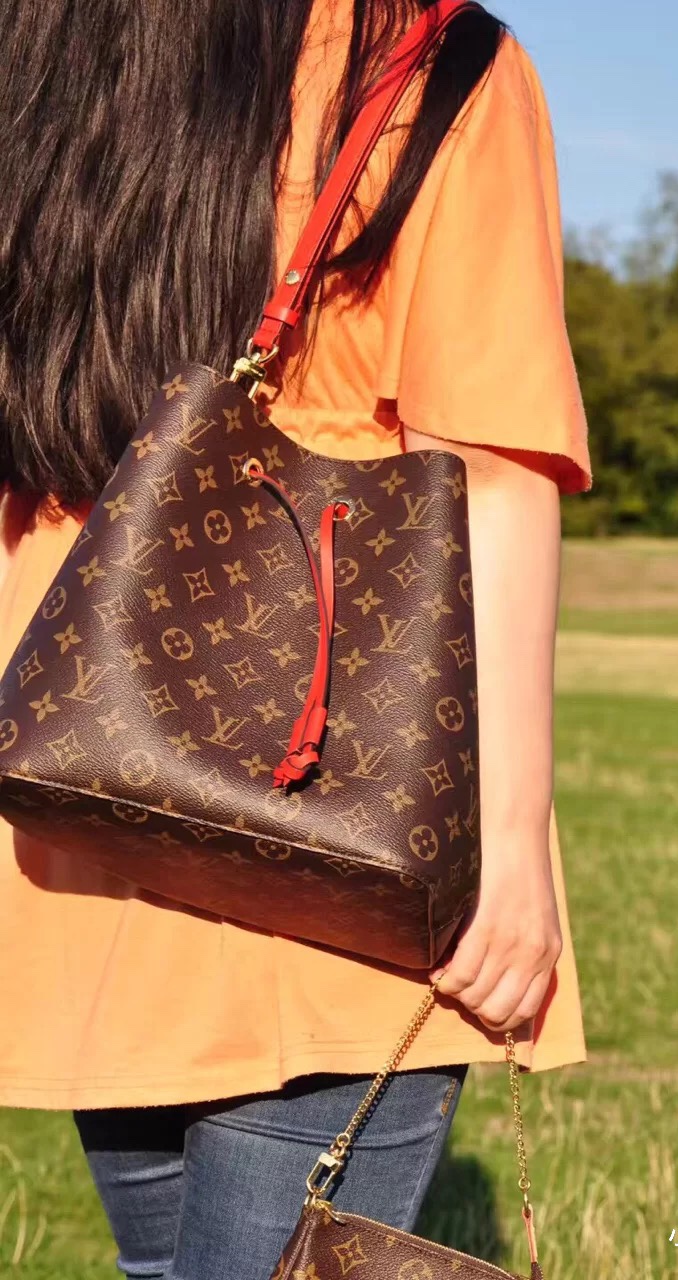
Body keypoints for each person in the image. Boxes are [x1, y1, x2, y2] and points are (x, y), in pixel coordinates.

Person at [0, 2, 591, 1277]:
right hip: (337, 819)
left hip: (88, 789)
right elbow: (489, 464)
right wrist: (505, 849)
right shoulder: (425, 56)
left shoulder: (50, 49)